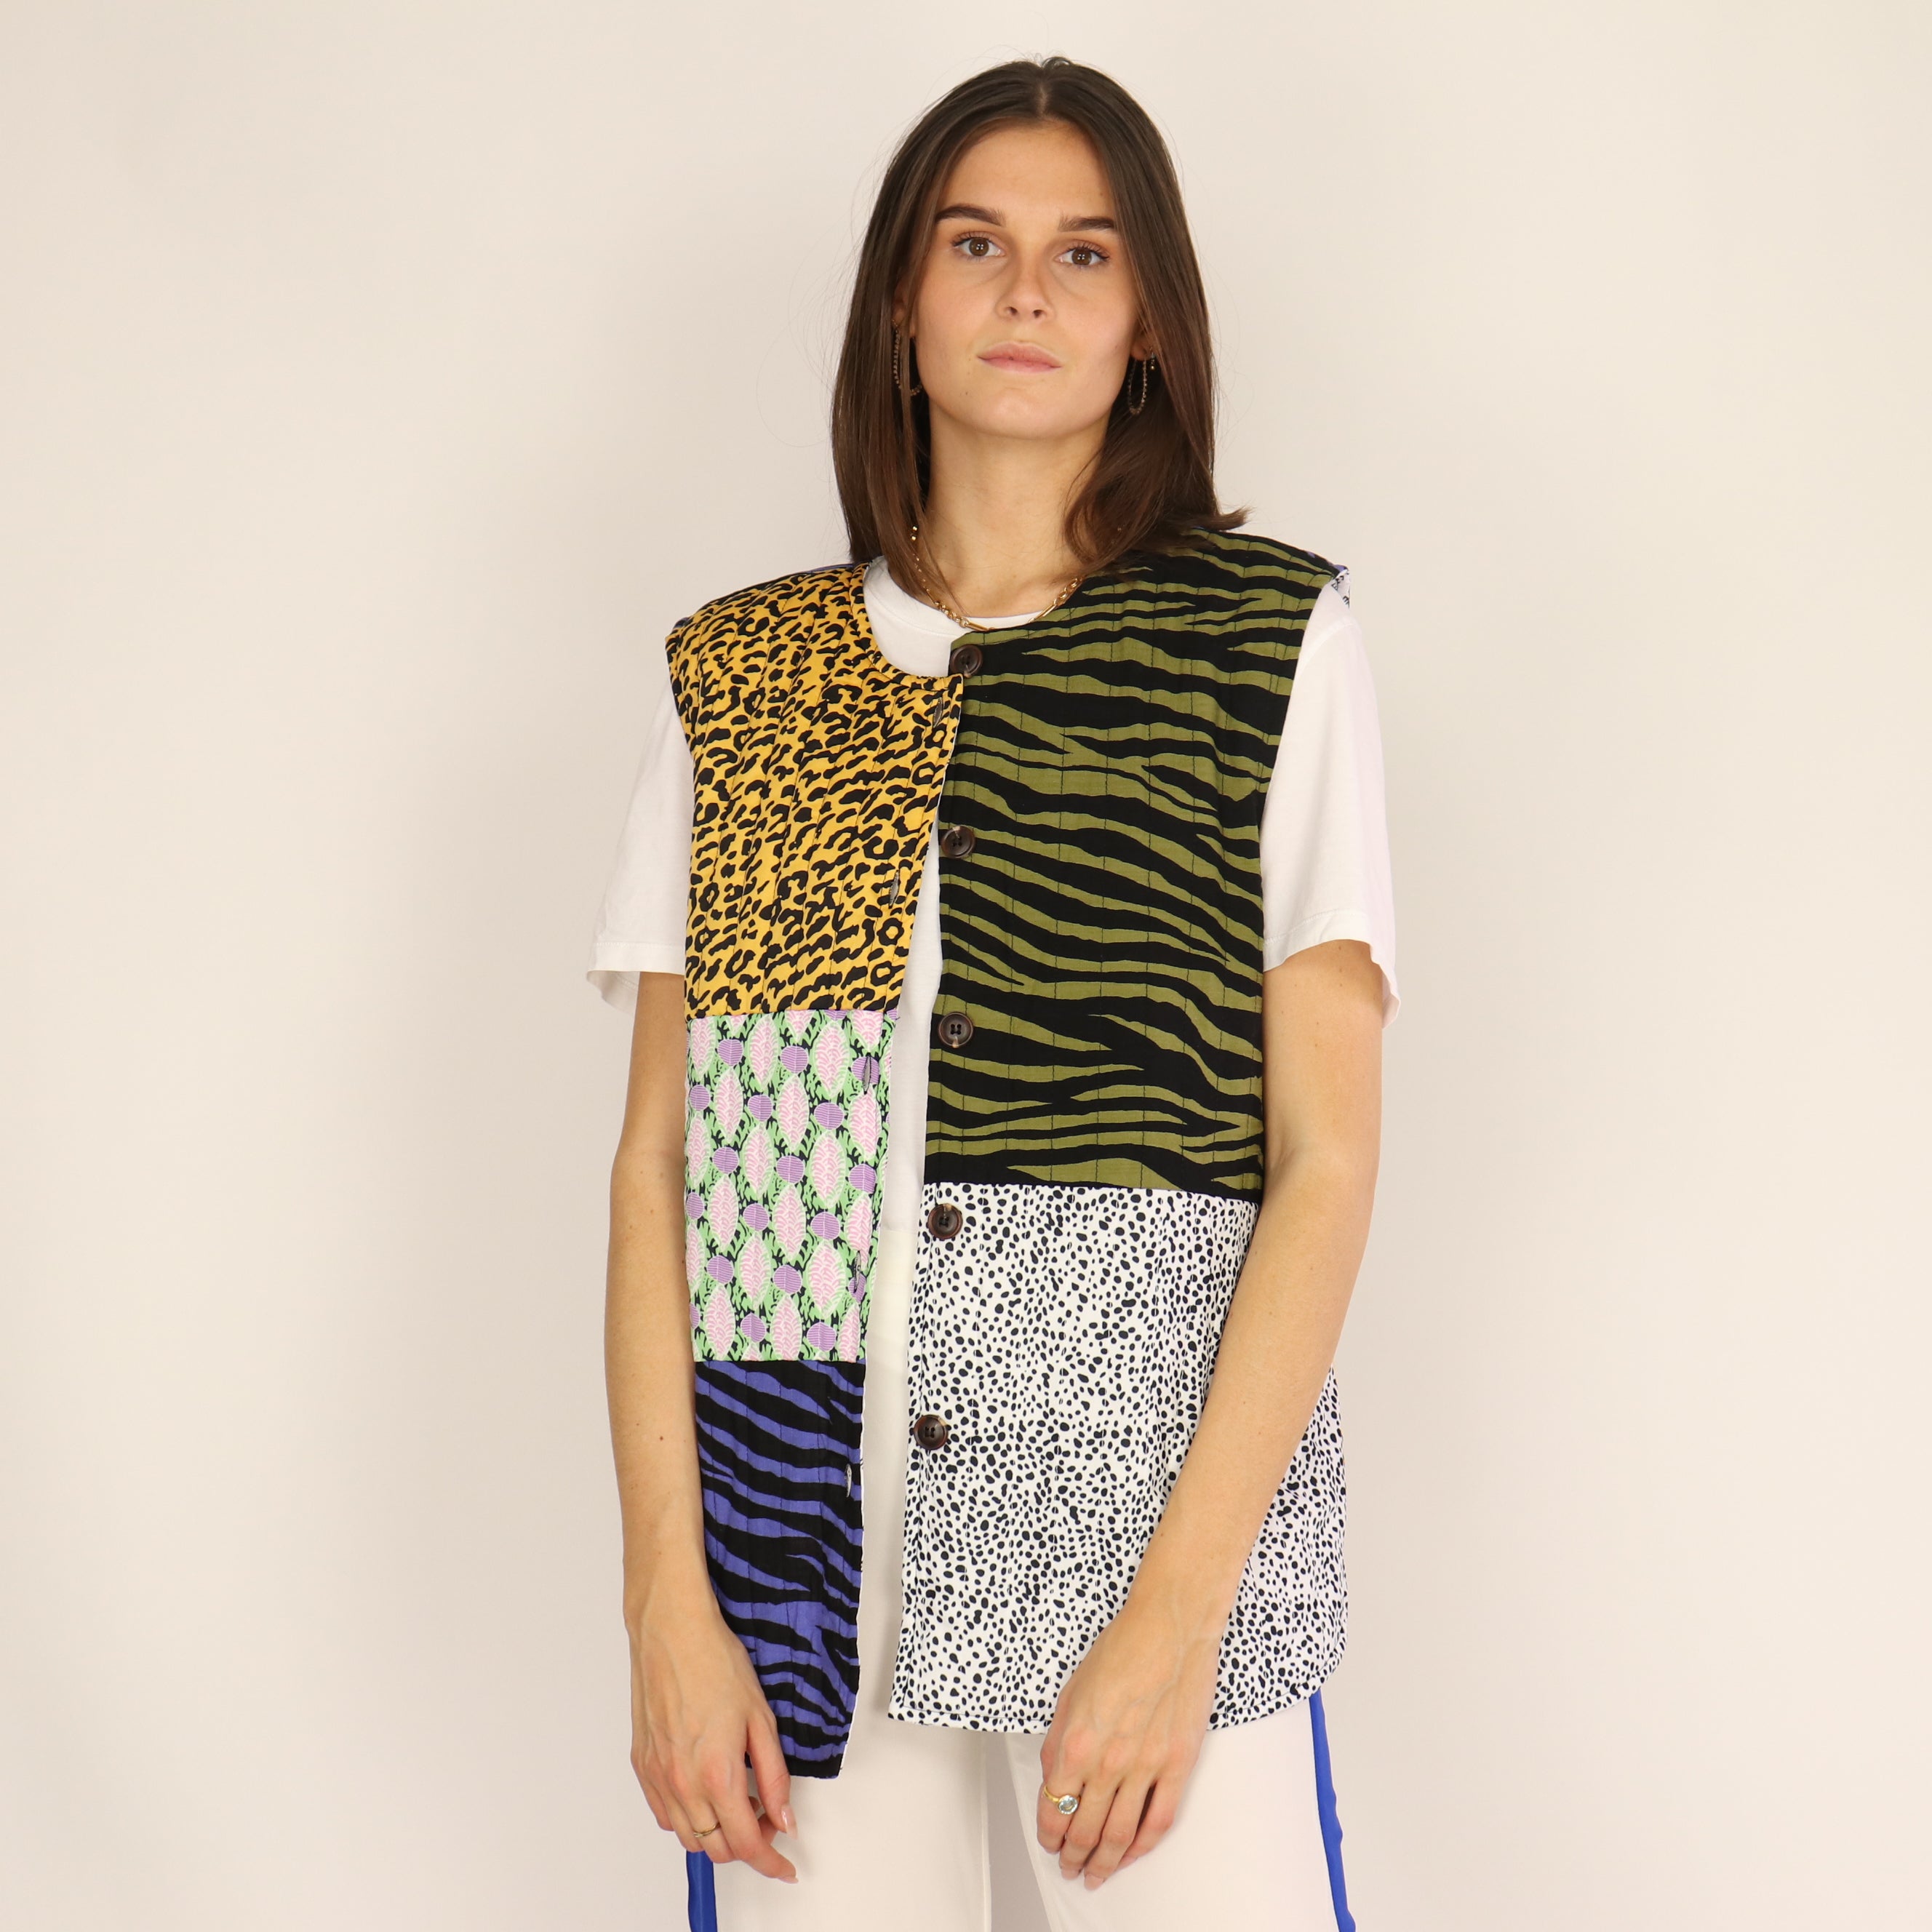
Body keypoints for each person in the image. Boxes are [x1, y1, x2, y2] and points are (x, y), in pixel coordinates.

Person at [588, 56, 1396, 1932]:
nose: (1027, 292)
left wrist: (1178, 1620)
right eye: (977, 244)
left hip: (1140, 1551)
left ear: (1149, 322)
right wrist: (669, 1607)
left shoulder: (1268, 645)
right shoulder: (745, 677)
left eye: (1085, 253)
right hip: (795, 1571)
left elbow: (1328, 1161)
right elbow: (656, 1171)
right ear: (903, 298)